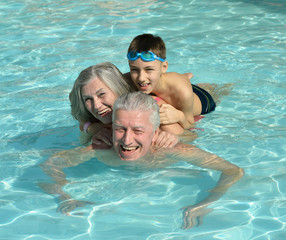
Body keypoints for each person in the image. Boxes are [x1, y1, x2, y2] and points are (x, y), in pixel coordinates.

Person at [40, 92, 244, 230]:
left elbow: (233, 171)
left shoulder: (171, 150)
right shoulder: (102, 149)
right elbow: (50, 164)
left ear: (155, 132)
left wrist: (205, 203)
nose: (127, 141)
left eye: (138, 130)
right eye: (119, 129)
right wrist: (63, 196)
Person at [69, 62, 187, 148]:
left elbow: (190, 138)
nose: (96, 106)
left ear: (117, 89)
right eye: (88, 99)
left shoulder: (150, 109)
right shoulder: (90, 110)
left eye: (102, 94)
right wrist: (92, 129)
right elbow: (82, 121)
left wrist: (174, 138)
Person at [126, 33, 217, 130]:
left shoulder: (181, 91)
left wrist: (180, 116)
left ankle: (187, 80)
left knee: (217, 91)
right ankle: (184, 78)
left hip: (203, 101)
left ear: (164, 67)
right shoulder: (128, 79)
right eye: (134, 69)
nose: (141, 78)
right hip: (173, 83)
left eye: (149, 69)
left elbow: (190, 126)